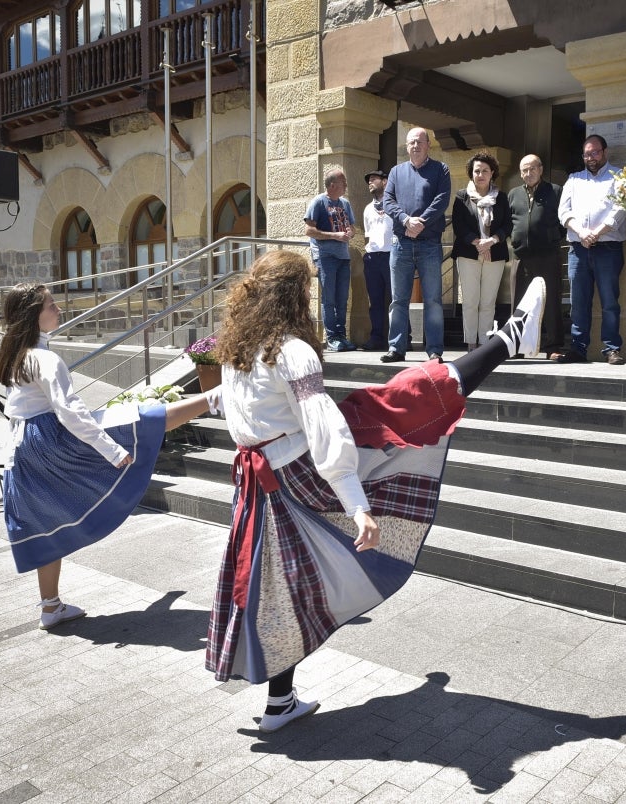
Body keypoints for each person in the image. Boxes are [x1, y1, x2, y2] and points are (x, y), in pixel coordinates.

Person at [203, 249, 546, 733]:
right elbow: (323, 431)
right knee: (407, 403)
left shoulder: (238, 349)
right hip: (300, 475)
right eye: (307, 290)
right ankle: (507, 340)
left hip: (262, 485)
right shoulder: (290, 352)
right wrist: (358, 506)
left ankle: (280, 703)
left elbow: (242, 410)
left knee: (282, 589)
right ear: (294, 297)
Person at [0, 283, 211, 629]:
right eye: (51, 305)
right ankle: (214, 399)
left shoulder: (14, 356)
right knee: (140, 422)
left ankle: (50, 606)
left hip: (22, 449)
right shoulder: (44, 358)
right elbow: (70, 411)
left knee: (45, 523)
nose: (59, 310)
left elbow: (23, 410)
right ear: (34, 315)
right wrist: (111, 451)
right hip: (50, 441)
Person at [381, 127, 451, 362]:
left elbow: (442, 200)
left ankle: (434, 351)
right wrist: (405, 219)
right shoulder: (396, 172)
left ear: (428, 145)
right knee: (398, 299)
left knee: (432, 299)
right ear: (406, 146)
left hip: (429, 242)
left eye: (420, 142)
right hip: (401, 243)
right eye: (411, 142)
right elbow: (387, 200)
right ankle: (396, 348)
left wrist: (422, 221)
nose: (415, 146)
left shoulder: (440, 169)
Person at [556, 135, 626, 364]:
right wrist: (582, 232)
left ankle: (611, 349)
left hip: (608, 247)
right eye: (587, 154)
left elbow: (621, 209)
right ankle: (578, 349)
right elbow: (563, 212)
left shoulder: (619, 177)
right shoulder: (574, 180)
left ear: (604, 152)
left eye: (595, 152)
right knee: (579, 302)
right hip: (578, 249)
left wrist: (596, 233)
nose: (591, 157)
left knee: (609, 301)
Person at [452, 152, 513, 351]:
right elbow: (459, 225)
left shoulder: (501, 198)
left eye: (485, 170)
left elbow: (508, 225)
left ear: (492, 173)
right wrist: (478, 243)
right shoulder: (462, 197)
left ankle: (484, 344)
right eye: (477, 171)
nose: (480, 174)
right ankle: (471, 343)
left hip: (494, 255)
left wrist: (492, 241)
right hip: (468, 254)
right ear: (471, 173)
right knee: (470, 301)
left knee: (488, 302)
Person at [508, 154, 565, 359]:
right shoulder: (513, 194)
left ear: (540, 169)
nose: (528, 173)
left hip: (547, 254)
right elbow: (509, 222)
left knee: (550, 301)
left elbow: (563, 220)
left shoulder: (555, 191)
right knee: (519, 302)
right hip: (521, 255)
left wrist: (552, 237)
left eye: (532, 169)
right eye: (524, 170)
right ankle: (517, 347)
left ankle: (554, 346)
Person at [304, 169, 357, 352]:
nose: (346, 186)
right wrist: (334, 235)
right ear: (333, 185)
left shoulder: (345, 203)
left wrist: (350, 232)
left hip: (343, 256)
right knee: (329, 298)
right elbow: (309, 231)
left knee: (342, 297)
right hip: (325, 256)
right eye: (344, 183)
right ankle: (332, 337)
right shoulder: (318, 202)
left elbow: (352, 227)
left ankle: (342, 335)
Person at [361, 169, 394, 350]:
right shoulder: (367, 209)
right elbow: (368, 236)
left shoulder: (395, 204)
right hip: (373, 257)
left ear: (385, 181)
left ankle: (403, 338)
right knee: (375, 301)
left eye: (374, 179)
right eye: (369, 180)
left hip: (392, 255)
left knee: (396, 300)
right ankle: (376, 337)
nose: (370, 183)